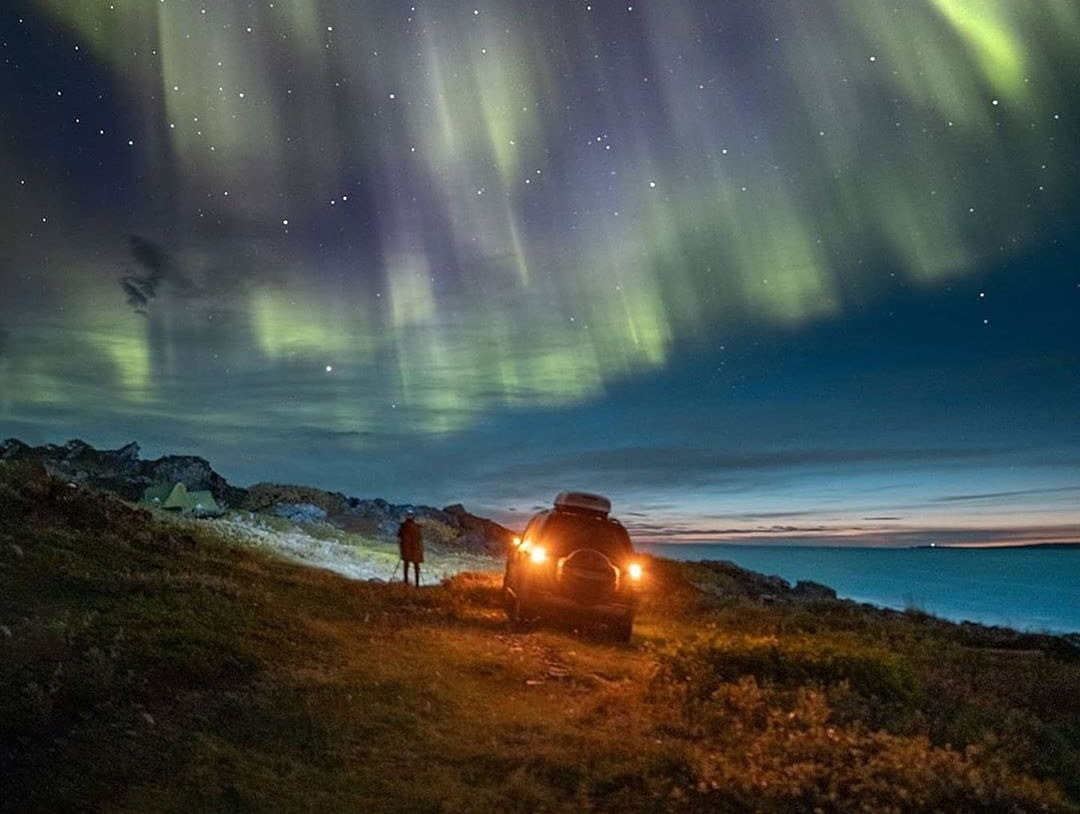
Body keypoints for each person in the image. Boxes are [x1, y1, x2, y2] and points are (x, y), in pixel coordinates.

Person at [397, 514, 424, 586]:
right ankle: (417, 584)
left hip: (407, 550)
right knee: (416, 567)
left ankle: (406, 582)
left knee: (406, 566)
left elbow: (399, 535)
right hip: (415, 550)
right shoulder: (416, 527)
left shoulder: (403, 526)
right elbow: (420, 538)